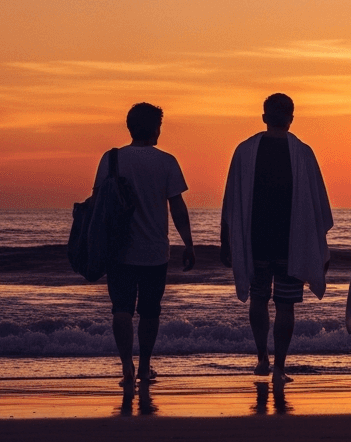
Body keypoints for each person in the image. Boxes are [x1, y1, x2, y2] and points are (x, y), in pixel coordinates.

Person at [220, 93, 334, 384]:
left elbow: (231, 200)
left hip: (255, 239)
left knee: (258, 299)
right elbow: (319, 207)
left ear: (264, 117)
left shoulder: (245, 151)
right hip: (291, 241)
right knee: (286, 304)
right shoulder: (303, 153)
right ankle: (280, 368)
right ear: (291, 118)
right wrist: (321, 248)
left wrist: (226, 240)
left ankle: (262, 359)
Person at [93, 102, 195, 388]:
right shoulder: (166, 161)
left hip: (119, 250)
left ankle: (127, 366)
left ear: (130, 127)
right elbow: (178, 208)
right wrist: (189, 244)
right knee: (150, 310)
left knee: (121, 308)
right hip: (154, 252)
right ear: (155, 129)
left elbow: (98, 204)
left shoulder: (111, 159)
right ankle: (145, 366)